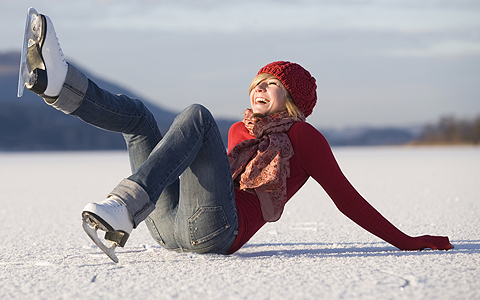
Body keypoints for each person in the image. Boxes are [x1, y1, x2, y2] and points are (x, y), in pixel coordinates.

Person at [19, 8, 453, 263]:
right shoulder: (238, 131)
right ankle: (61, 86)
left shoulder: (304, 138)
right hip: (169, 228)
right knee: (139, 119)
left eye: (272, 84)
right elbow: (208, 184)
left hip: (217, 235)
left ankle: (122, 208)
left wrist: (408, 242)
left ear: (293, 100)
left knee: (196, 116)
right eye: (257, 81)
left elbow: (346, 198)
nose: (259, 87)